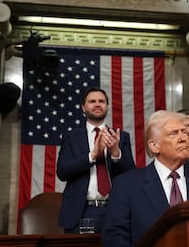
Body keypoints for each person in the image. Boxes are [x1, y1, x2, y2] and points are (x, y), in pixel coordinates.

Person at [102, 110, 189, 246]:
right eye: (174, 133)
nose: (183, 138)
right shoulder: (127, 185)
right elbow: (114, 238)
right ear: (154, 146)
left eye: (185, 132)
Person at [56, 87, 135, 233]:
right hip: (82, 211)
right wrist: (92, 155)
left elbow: (132, 174)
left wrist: (116, 153)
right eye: (92, 101)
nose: (97, 104)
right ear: (83, 107)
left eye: (102, 101)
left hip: (116, 209)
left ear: (107, 106)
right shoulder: (71, 137)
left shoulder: (120, 137)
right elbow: (62, 171)